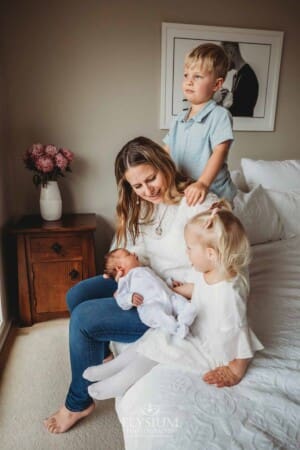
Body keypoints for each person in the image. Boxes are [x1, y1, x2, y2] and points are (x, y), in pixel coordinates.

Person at [43, 136, 248, 433]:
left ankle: (78, 402)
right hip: (147, 280)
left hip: (175, 299)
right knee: (78, 294)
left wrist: (191, 290)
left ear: (165, 165)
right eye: (137, 186)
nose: (147, 190)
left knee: (84, 320)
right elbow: (133, 246)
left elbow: (232, 270)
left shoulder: (198, 203)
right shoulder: (142, 204)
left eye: (151, 178)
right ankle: (102, 352)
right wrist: (121, 268)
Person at [84, 200, 263, 400]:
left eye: (189, 248)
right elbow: (202, 291)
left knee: (161, 347)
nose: (186, 253)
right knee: (153, 335)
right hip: (198, 326)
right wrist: (172, 289)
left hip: (210, 347)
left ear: (210, 254)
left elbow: (240, 329)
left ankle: (120, 382)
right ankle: (113, 366)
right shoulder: (212, 271)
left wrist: (236, 368)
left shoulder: (229, 293)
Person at [163, 43, 236, 206]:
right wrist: (150, 164)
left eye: (197, 77)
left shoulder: (220, 115)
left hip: (216, 196)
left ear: (216, 85)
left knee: (214, 230)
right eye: (186, 75)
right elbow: (166, 151)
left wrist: (203, 183)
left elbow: (220, 151)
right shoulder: (178, 119)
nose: (189, 82)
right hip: (187, 192)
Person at [104, 248, 197, 338]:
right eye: (128, 254)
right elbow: (120, 298)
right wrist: (130, 298)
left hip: (167, 297)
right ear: (120, 268)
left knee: (184, 304)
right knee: (158, 313)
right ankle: (176, 329)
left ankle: (185, 319)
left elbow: (157, 282)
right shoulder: (125, 280)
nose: (133, 253)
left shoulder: (145, 269)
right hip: (150, 304)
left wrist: (169, 283)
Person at [221, 41, 259, 117]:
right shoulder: (237, 75)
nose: (222, 63)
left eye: (223, 58)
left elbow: (240, 111)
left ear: (231, 52)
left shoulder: (247, 76)